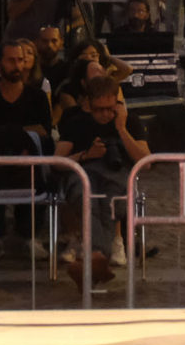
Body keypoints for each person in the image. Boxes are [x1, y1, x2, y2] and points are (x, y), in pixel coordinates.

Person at [55, 73, 149, 286]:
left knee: (111, 205)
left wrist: (122, 129)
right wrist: (85, 156)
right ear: (88, 104)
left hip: (116, 176)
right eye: (99, 109)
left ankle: (94, 258)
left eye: (110, 108)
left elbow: (146, 161)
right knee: (88, 202)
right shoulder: (75, 122)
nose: (106, 114)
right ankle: (99, 259)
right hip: (82, 173)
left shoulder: (129, 122)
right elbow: (57, 162)